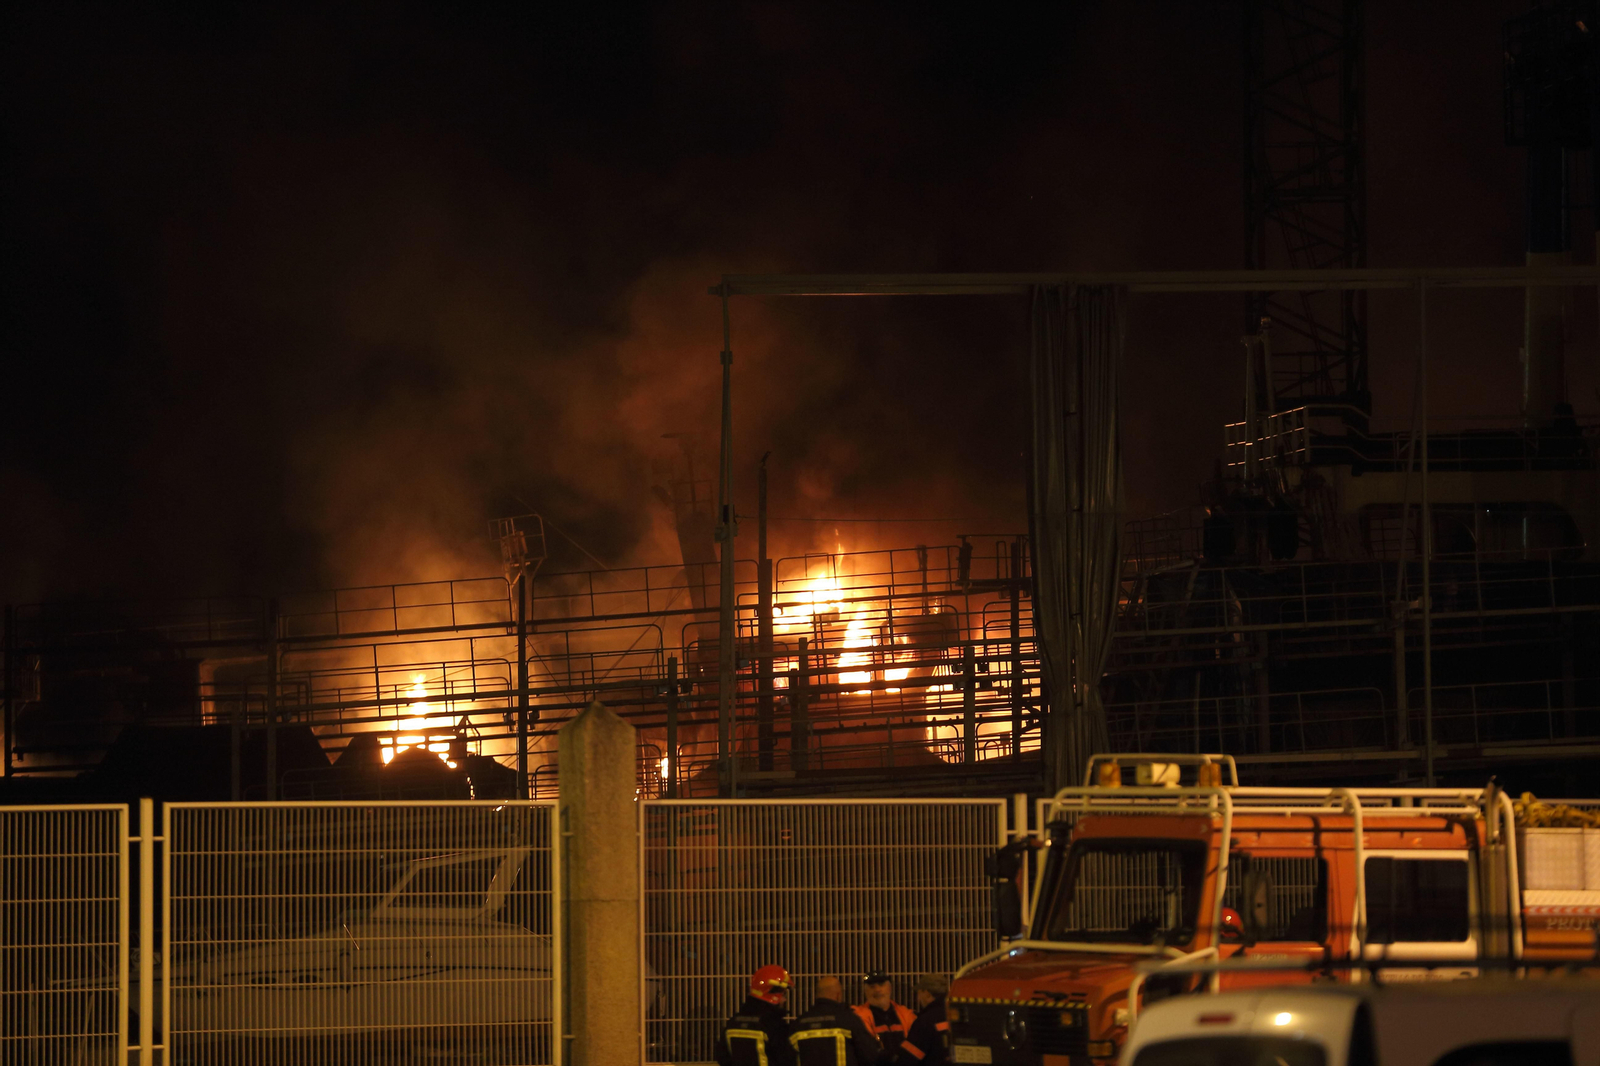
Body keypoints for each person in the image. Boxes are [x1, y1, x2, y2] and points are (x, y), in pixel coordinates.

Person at [789, 975, 883, 1066]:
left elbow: (786, 1058)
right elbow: (870, 1055)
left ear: (817, 995)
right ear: (838, 995)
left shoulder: (798, 1024)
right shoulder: (849, 1020)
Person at [715, 964, 797, 1066]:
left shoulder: (733, 1023)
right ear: (773, 993)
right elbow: (787, 1059)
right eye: (783, 994)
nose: (784, 999)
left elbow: (722, 1056)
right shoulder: (774, 1025)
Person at [851, 971, 916, 1059]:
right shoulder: (857, 1016)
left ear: (889, 988)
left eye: (881, 985)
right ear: (865, 992)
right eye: (872, 987)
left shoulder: (906, 1014)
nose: (877, 990)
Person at [891, 973, 949, 1064]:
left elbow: (909, 1058)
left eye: (919, 993)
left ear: (927, 994)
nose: (918, 999)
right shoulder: (955, 1015)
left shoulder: (925, 1021)